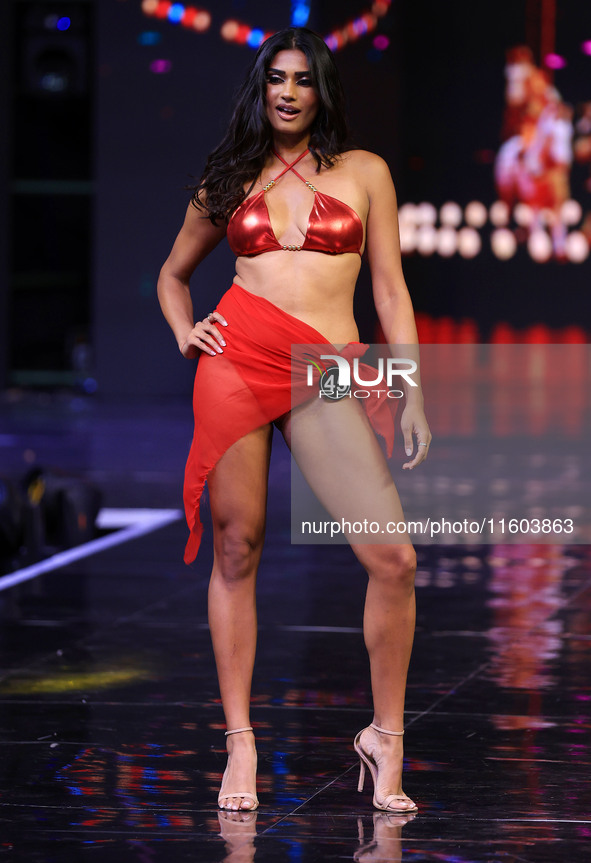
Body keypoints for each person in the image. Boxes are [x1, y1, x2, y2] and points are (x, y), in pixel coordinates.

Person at [157, 27, 431, 815]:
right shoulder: (230, 174)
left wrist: (409, 387)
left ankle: (386, 737)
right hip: (236, 358)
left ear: (322, 91)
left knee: (393, 559)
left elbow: (388, 290)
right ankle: (240, 743)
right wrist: (186, 330)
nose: (286, 92)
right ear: (260, 87)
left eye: (302, 81)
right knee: (237, 547)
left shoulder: (365, 172)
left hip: (325, 370)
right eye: (274, 78)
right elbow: (174, 276)